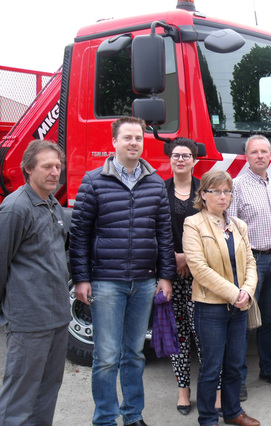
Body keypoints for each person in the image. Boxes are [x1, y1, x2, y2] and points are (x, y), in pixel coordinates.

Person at [69, 116, 176, 426]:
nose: (133, 143)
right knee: (105, 358)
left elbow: (164, 235)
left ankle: (132, 415)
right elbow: (80, 235)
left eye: (138, 138)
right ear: (113, 142)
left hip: (144, 283)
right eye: (127, 137)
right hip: (106, 283)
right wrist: (81, 278)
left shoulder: (154, 181)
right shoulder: (93, 181)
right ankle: (104, 418)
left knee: (134, 354)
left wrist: (166, 276)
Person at [0, 140, 71, 425]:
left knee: (46, 392)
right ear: (29, 168)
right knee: (19, 397)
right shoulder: (15, 208)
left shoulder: (52, 203)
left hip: (56, 317)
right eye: (47, 167)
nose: (55, 172)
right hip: (29, 321)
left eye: (58, 166)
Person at [183, 170, 260, 426]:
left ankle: (233, 412)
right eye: (216, 191)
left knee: (235, 364)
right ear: (203, 194)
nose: (223, 196)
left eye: (227, 191)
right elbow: (199, 268)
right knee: (211, 368)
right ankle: (207, 419)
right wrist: (234, 293)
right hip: (211, 308)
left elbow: (250, 262)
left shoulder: (239, 225)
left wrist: (247, 291)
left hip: (239, 306)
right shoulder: (193, 224)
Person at [228, 135, 271, 400]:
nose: (260, 156)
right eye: (254, 152)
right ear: (246, 156)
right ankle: (237, 380)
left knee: (269, 319)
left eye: (264, 152)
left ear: (270, 156)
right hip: (249, 262)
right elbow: (229, 227)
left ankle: (269, 369)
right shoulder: (236, 186)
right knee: (241, 322)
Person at [164, 138, 201, 415]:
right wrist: (173, 258)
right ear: (170, 160)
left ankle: (214, 390)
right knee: (179, 334)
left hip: (201, 274)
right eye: (176, 155)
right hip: (170, 274)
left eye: (186, 155)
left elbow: (215, 225)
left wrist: (188, 256)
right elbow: (153, 229)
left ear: (194, 160)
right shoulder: (158, 190)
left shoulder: (205, 189)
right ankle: (183, 390)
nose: (180, 159)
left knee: (204, 334)